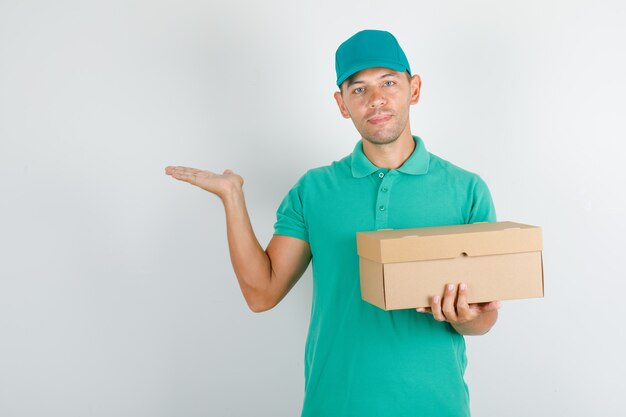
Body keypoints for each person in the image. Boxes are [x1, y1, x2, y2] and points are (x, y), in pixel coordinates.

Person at [165, 29, 500, 417]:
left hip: (435, 405)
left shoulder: (466, 190)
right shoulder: (314, 189)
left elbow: (485, 318)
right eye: (358, 89)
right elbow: (262, 294)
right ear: (342, 104)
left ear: (415, 89)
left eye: (389, 82)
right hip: (335, 405)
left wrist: (467, 318)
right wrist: (232, 197)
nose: (376, 99)